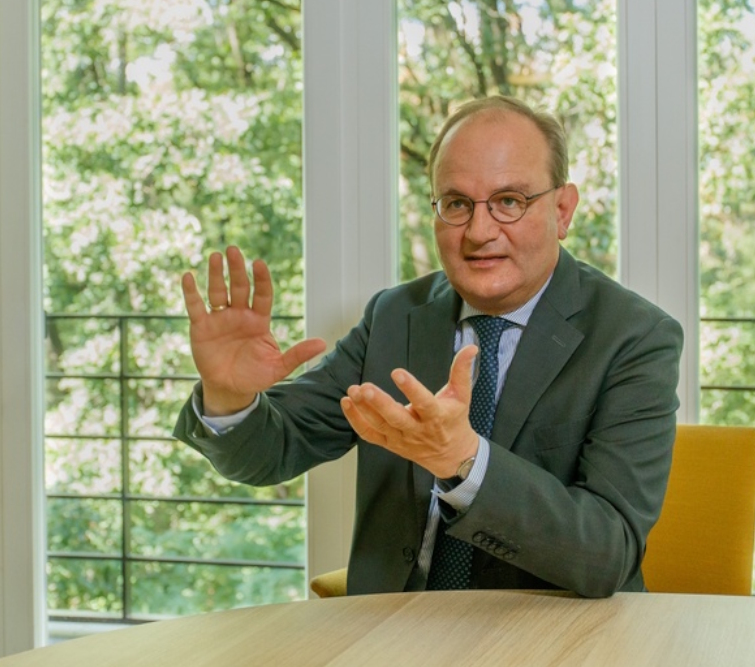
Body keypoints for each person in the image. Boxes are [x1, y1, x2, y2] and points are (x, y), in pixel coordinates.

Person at [173, 95, 683, 598]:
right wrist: (230, 398)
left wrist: (464, 462)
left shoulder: (634, 337)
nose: (479, 232)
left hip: (551, 634)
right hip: (393, 626)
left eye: (509, 201)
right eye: (457, 204)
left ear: (563, 209)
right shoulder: (395, 316)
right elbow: (273, 452)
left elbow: (607, 555)